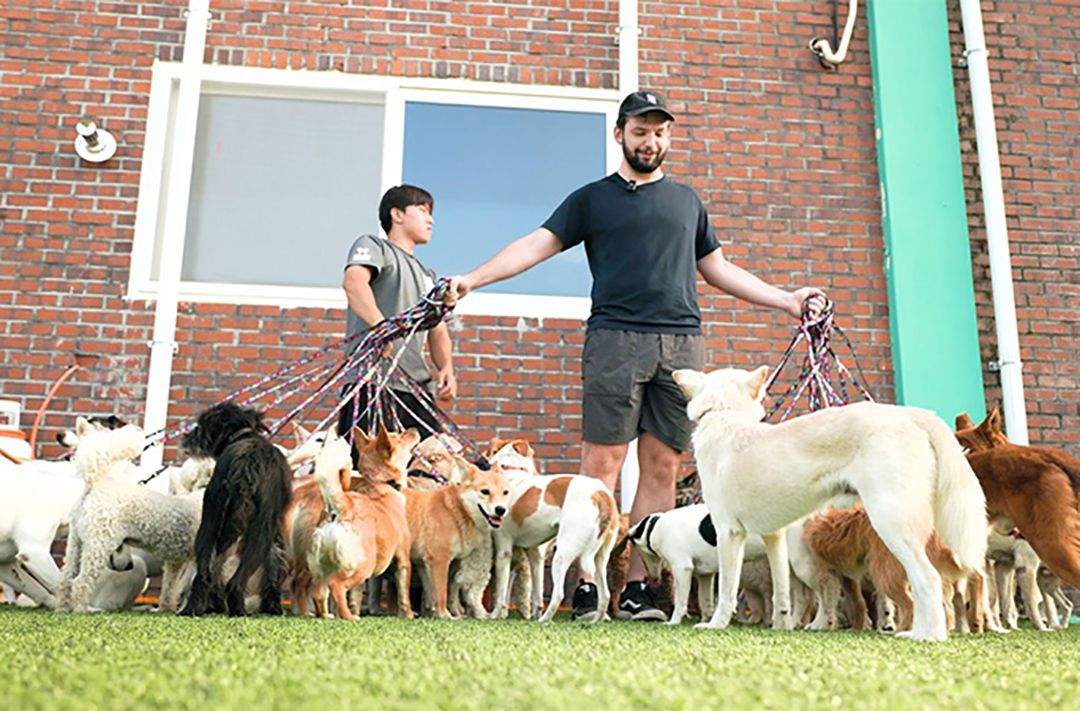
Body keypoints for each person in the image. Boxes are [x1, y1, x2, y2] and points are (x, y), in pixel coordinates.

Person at [449, 90, 826, 621]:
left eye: (660, 132)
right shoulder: (591, 200)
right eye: (641, 131)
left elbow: (717, 269)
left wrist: (787, 299)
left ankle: (638, 588)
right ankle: (588, 583)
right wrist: (472, 279)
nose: (651, 141)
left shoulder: (687, 202)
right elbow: (534, 245)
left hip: (681, 345)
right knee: (601, 465)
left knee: (663, 467)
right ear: (620, 134)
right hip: (615, 340)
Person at [338, 184, 456, 442]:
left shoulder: (429, 276)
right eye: (423, 210)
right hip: (371, 382)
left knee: (426, 470)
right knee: (366, 472)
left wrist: (445, 366)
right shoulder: (375, 247)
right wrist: (381, 328)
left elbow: (437, 330)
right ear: (397, 215)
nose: (431, 219)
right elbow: (354, 284)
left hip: (416, 390)